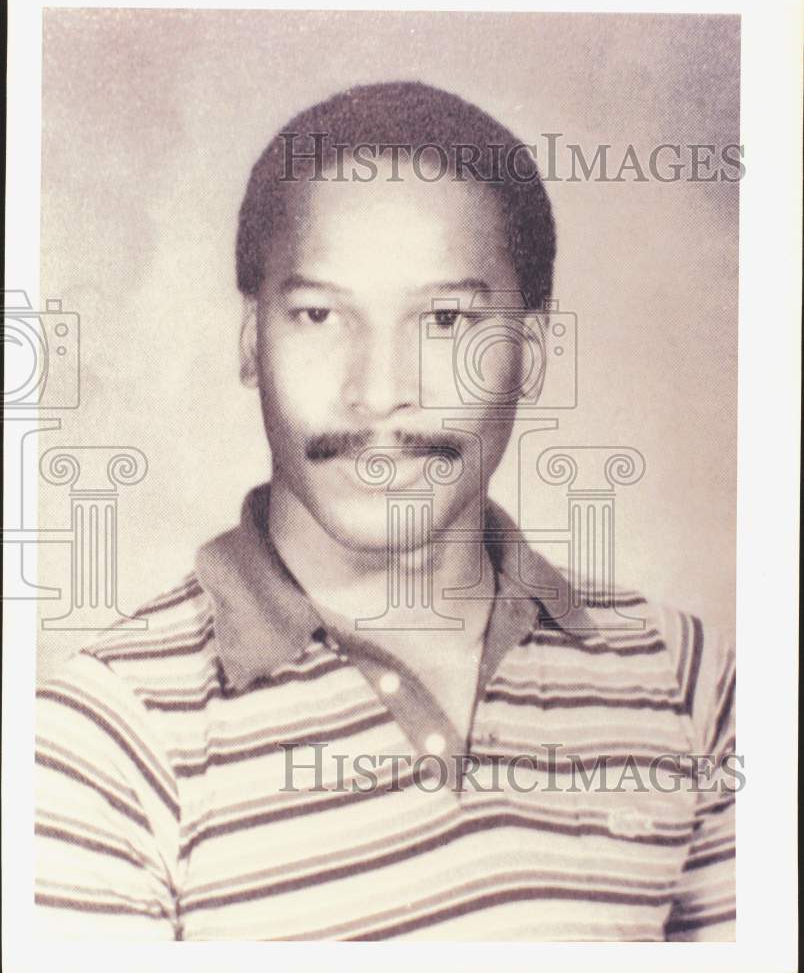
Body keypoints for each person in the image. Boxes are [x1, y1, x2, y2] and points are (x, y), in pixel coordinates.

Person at [34, 81, 736, 941]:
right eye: (319, 314)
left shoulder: (688, 681)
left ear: (536, 353)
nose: (378, 394)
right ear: (254, 341)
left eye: (444, 320)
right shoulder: (99, 742)